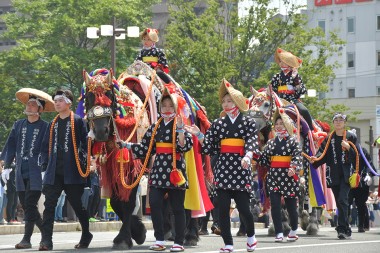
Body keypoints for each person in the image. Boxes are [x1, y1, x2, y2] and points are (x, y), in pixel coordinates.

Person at [185, 79, 261, 253]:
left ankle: (251, 236)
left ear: (237, 103)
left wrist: (248, 156)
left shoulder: (248, 123)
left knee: (244, 209)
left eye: (229, 101)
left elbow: (251, 142)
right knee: (223, 209)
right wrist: (199, 135)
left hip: (241, 167)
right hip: (224, 167)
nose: (226, 104)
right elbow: (210, 147)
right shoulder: (219, 124)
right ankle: (228, 243)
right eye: (224, 101)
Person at [119, 87, 193, 252]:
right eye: (164, 105)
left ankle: (179, 241)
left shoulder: (180, 124)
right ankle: (159, 239)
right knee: (155, 203)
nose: (167, 108)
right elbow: (145, 148)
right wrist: (126, 145)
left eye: (170, 106)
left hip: (175, 170)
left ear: (175, 108)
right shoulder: (155, 126)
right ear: (159, 108)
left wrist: (181, 130)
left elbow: (185, 146)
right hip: (159, 170)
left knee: (177, 208)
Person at [0, 88, 54, 248]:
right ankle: (44, 235)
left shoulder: (46, 127)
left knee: (30, 204)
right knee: (26, 206)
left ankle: (27, 239)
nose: (29, 107)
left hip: (37, 171)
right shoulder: (18, 125)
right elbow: (10, 145)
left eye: (32, 105)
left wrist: (46, 168)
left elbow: (48, 149)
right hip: (19, 171)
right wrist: (7, 165)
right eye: (28, 104)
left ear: (40, 109)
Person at [39, 89, 92, 250]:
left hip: (73, 171)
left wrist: (85, 161)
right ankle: (46, 240)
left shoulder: (77, 121)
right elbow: (44, 147)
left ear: (68, 103)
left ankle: (86, 233)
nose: (56, 103)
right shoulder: (52, 124)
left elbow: (86, 144)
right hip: (54, 171)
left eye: (60, 101)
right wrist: (44, 166)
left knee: (77, 205)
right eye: (55, 101)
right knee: (49, 206)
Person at [310, 112, 358, 239]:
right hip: (334, 174)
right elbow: (322, 154)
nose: (338, 122)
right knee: (339, 201)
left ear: (345, 122)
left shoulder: (351, 136)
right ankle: (346, 227)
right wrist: (314, 159)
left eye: (340, 120)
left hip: (347, 174)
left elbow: (358, 156)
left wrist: (349, 148)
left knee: (342, 200)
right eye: (335, 119)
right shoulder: (329, 138)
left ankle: (341, 228)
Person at [258, 111, 302, 242]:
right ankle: (278, 232)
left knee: (291, 207)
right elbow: (264, 160)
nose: (278, 126)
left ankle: (293, 229)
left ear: (287, 125)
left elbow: (297, 157)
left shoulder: (293, 141)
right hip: (274, 177)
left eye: (281, 123)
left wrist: (293, 167)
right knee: (275, 206)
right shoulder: (271, 143)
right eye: (276, 123)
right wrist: (256, 157)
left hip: (288, 176)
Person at [271, 48, 314, 132]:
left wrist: (296, 80)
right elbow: (273, 90)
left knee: (304, 110)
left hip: (292, 100)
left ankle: (311, 131)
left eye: (283, 61)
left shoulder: (295, 76)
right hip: (279, 100)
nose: (281, 63)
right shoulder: (276, 76)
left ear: (288, 64)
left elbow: (301, 92)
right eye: (280, 61)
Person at [348, 146, 376, 232]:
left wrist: (369, 175)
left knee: (361, 204)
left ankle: (361, 225)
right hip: (349, 181)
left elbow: (369, 164)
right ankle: (344, 224)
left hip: (362, 181)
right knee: (346, 203)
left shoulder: (362, 150)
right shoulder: (344, 149)